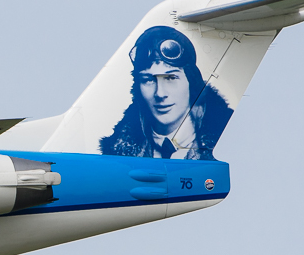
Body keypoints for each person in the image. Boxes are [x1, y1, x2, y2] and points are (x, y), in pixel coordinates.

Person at [99, 26, 232, 160]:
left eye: (170, 78)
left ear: (192, 83)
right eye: (148, 80)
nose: (160, 94)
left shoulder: (222, 140)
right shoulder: (115, 151)